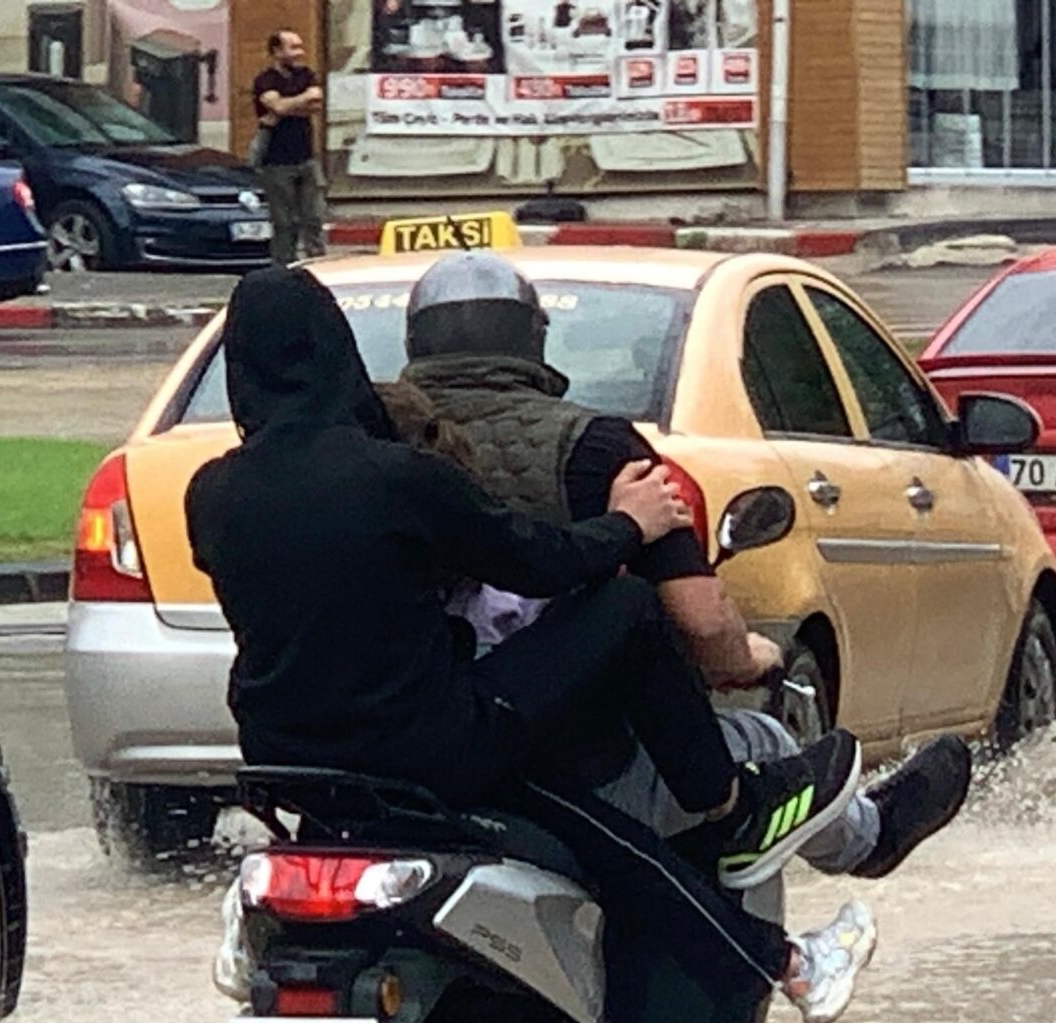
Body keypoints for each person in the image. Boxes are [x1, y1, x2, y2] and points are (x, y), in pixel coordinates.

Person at [189, 266, 878, 1023]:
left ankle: (785, 958)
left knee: (595, 836)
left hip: (288, 760)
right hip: (427, 748)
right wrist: (631, 524)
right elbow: (537, 562)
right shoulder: (398, 479)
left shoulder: (212, 493)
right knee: (623, 613)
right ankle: (732, 807)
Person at [392, 251, 977, 881]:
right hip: (573, 764)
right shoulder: (600, 452)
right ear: (533, 340)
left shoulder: (368, 450)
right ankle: (868, 843)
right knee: (764, 742)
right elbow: (700, 622)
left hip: (391, 764)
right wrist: (747, 657)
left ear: (415, 343)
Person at [250, 31, 328, 265]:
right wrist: (294, 104)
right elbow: (278, 105)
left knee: (313, 216)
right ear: (276, 51)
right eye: (293, 47)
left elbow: (314, 103)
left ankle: (318, 264)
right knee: (285, 222)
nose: (300, 52)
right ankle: (284, 267)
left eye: (300, 46)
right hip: (276, 161)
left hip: (306, 157)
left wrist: (284, 108)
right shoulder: (265, 79)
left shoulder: (305, 74)